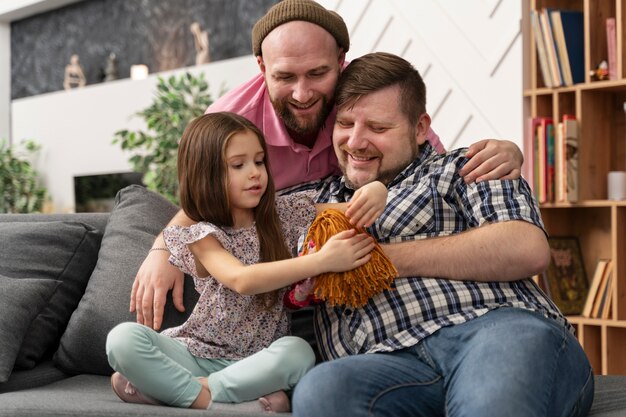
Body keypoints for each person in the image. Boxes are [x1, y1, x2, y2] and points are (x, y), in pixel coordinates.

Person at [130, 0, 527, 331]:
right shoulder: (231, 121)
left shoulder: (361, 101)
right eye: (285, 76)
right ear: (261, 67)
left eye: (318, 74)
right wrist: (162, 249)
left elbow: (424, 170)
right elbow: (205, 202)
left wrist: (507, 151)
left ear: (340, 62)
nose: (302, 94)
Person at [291, 52, 594, 417]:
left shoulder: (467, 166)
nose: (355, 142)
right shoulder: (313, 203)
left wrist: (376, 260)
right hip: (383, 364)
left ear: (420, 129)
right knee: (321, 390)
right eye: (344, 123)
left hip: (495, 330)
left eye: (378, 128)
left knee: (495, 393)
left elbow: (525, 248)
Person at [106, 111, 388, 412]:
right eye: (238, 165)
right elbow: (242, 280)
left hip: (258, 359)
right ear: (206, 175)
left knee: (299, 352)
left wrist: (378, 190)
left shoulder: (285, 213)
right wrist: (321, 261)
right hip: (196, 351)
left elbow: (351, 209)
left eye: (258, 161)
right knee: (122, 340)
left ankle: (192, 392)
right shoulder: (201, 235)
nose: (255, 173)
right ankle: (217, 399)